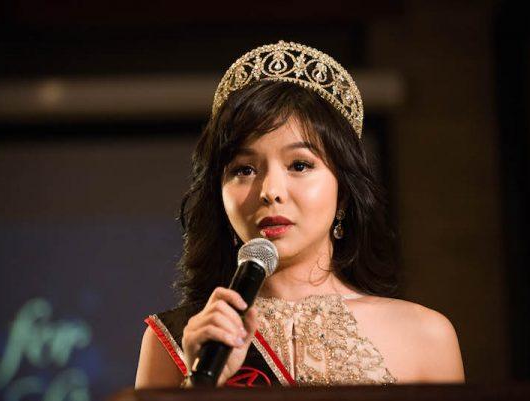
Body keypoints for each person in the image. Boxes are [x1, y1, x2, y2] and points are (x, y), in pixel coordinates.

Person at [135, 40, 465, 388]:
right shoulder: (181, 339)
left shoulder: (426, 336)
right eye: (244, 170)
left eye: (299, 165)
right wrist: (200, 383)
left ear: (343, 191)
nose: (270, 191)